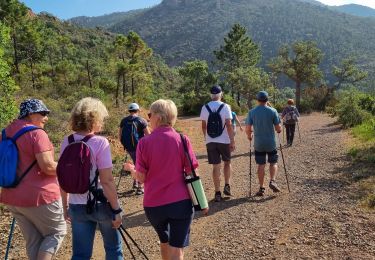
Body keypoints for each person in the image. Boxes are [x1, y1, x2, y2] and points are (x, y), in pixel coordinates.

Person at [124, 99, 208, 260]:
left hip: (154, 206)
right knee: (177, 248)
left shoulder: (144, 143)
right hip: (180, 203)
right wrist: (202, 203)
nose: (148, 119)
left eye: (149, 115)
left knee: (164, 241)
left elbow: (140, 178)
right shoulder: (182, 140)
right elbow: (193, 173)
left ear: (158, 117)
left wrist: (131, 169)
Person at [0, 99, 67, 260]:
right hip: (39, 196)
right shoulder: (37, 133)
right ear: (30, 114)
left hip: (11, 196)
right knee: (56, 233)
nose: (46, 118)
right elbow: (48, 167)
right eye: (43, 113)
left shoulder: (5, 132)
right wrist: (68, 167)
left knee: (33, 240)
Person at [60, 97, 123, 260]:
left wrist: (65, 206)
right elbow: (107, 180)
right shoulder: (100, 143)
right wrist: (116, 209)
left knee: (80, 255)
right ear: (94, 119)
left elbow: (63, 177)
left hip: (77, 206)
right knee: (113, 250)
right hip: (102, 204)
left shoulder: (66, 141)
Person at [200, 85, 235, 202]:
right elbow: (229, 124)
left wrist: (207, 139)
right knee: (227, 162)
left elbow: (204, 126)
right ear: (221, 94)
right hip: (224, 140)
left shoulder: (205, 107)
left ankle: (217, 193)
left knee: (215, 166)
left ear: (211, 95)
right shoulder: (226, 107)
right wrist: (232, 140)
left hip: (211, 141)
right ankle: (227, 185)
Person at [245, 91, 282, 196]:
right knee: (273, 162)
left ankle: (261, 188)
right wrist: (279, 130)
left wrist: (249, 136)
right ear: (267, 100)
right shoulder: (273, 111)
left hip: (259, 143)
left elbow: (248, 128)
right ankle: (272, 181)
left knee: (261, 164)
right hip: (271, 142)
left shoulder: (252, 112)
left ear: (257, 100)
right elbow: (278, 128)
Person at [119, 103, 150, 195]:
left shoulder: (124, 121)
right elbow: (148, 136)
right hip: (140, 147)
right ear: (138, 110)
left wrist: (126, 145)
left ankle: (135, 183)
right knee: (140, 165)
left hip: (129, 147)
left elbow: (120, 136)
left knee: (136, 163)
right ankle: (139, 187)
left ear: (129, 111)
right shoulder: (141, 120)